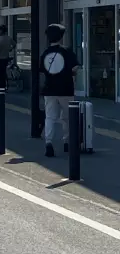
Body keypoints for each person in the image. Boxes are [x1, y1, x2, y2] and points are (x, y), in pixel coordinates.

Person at [40, 23, 79, 158]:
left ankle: (49, 142)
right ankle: (67, 141)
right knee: (67, 117)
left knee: (50, 116)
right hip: (66, 88)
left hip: (49, 89)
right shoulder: (67, 51)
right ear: (61, 36)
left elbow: (42, 70)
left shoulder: (45, 53)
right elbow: (74, 69)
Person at [0, 24, 15, 90]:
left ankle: (2, 86)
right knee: (3, 72)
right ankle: (5, 85)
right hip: (5, 58)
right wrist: (10, 49)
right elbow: (14, 44)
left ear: (1, 31)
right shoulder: (8, 38)